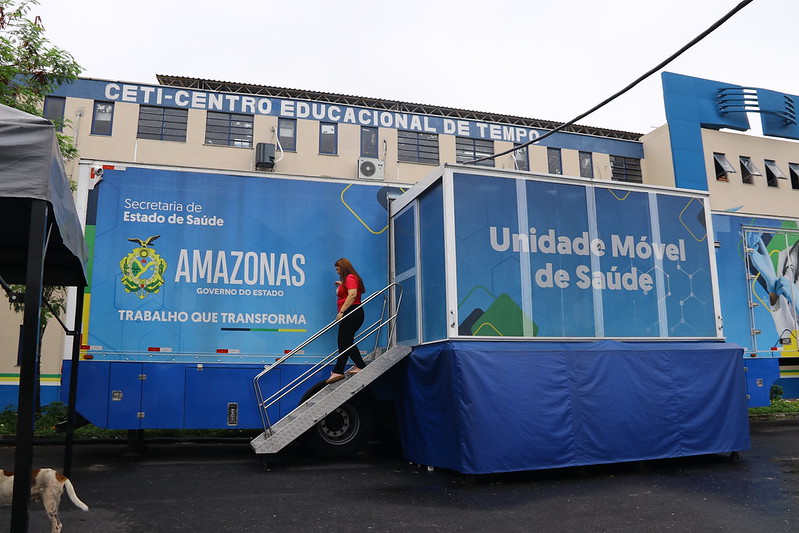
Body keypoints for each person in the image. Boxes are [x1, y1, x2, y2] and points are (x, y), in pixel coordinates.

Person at [326, 258, 366, 384]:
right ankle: (341, 370)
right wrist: (341, 285)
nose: (337, 272)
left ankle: (355, 366)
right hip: (353, 312)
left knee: (344, 341)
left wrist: (342, 311)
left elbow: (353, 294)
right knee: (344, 341)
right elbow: (351, 291)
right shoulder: (349, 279)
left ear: (342, 268)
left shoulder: (350, 277)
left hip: (351, 312)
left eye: (338, 270)